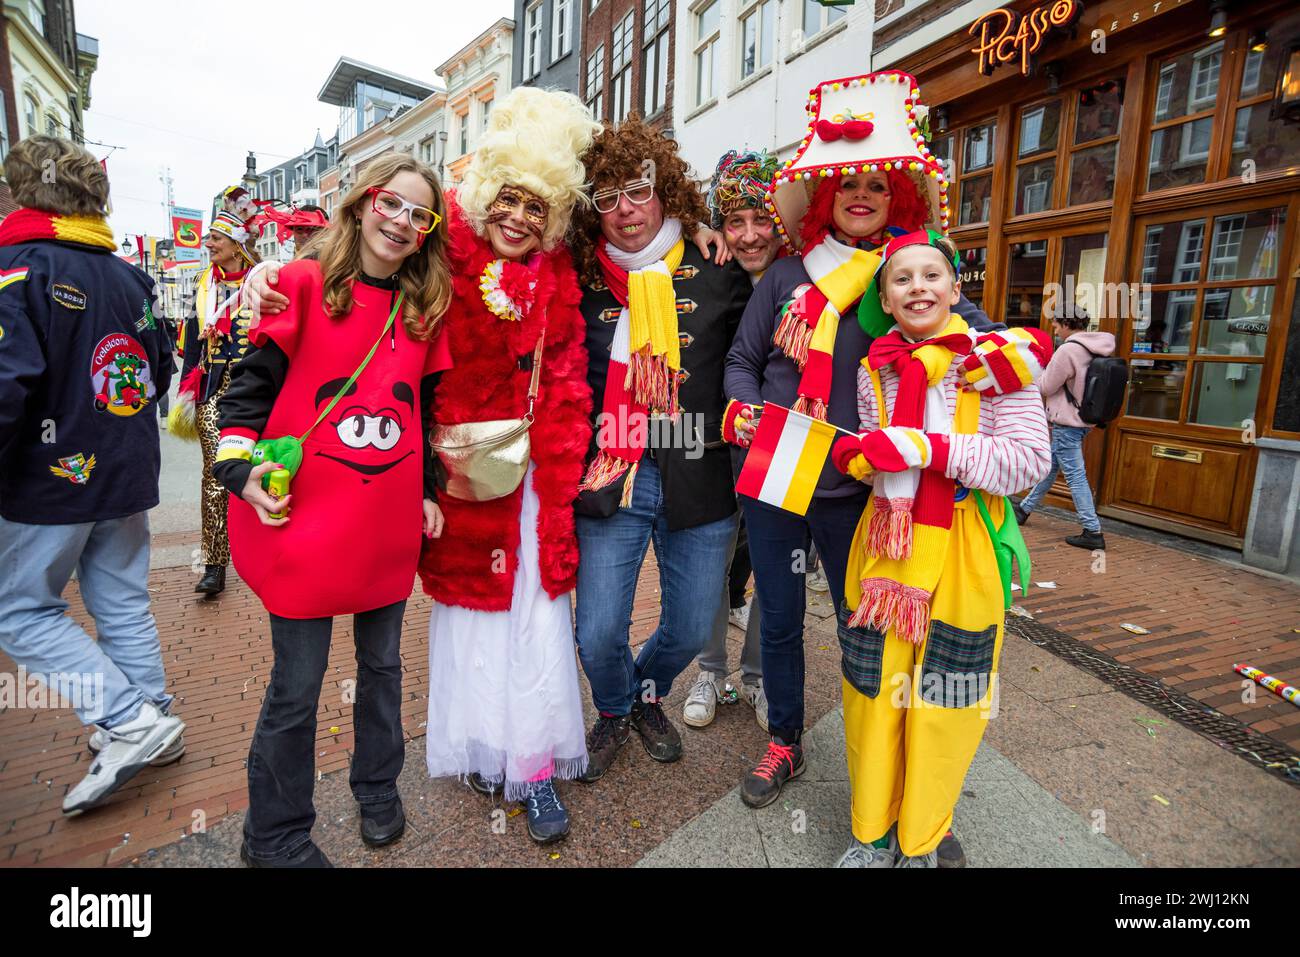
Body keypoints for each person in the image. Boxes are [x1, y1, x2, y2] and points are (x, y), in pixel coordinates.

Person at [723, 72, 1042, 868]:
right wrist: (747, 415)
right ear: (824, 199)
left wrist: (1025, 348)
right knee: (780, 615)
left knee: (876, 639)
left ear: (893, 196)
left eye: (874, 182)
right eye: (845, 184)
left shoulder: (909, 276)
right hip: (778, 468)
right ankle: (786, 738)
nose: (859, 193)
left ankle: (913, 799)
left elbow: (984, 339)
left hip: (861, 494)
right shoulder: (787, 279)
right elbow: (741, 359)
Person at [212, 152, 453, 867]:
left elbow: (425, 413)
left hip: (385, 524)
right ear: (360, 203)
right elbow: (247, 393)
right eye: (391, 203)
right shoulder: (299, 284)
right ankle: (276, 834)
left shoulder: (423, 309)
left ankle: (377, 785)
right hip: (307, 523)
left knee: (382, 666)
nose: (401, 222)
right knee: (297, 682)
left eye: (420, 214)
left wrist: (432, 491)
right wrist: (237, 468)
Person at [829, 230, 1051, 867]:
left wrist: (929, 448)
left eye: (932, 275)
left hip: (962, 549)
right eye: (902, 279)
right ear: (887, 299)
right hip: (885, 550)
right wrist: (861, 460)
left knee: (948, 697)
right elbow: (879, 449)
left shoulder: (998, 360)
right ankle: (871, 834)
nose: (918, 287)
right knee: (872, 691)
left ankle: (922, 835)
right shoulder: (876, 364)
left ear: (957, 288)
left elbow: (1028, 464)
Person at [414, 87, 599, 844]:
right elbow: (363, 271)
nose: (519, 218)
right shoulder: (440, 260)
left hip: (533, 484)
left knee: (535, 618)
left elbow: (569, 375)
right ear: (488, 194)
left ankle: (532, 766)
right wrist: (273, 278)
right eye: (509, 200)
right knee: (472, 621)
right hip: (463, 479)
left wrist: (564, 467)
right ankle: (487, 745)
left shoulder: (557, 279)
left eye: (536, 207)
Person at [0, 135, 185, 816]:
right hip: (125, 470)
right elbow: (158, 368)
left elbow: (6, 381)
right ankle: (149, 717)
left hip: (50, 478)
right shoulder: (129, 275)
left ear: (23, 192)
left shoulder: (18, 267)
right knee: (121, 599)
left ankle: (129, 720)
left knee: (19, 609)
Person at [568, 114, 753, 782]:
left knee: (689, 625)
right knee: (596, 631)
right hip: (612, 472)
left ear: (664, 189)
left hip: (698, 472)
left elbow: (755, 349)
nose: (625, 211)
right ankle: (620, 707)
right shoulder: (578, 279)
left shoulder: (715, 265)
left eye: (638, 191)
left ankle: (644, 693)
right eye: (606, 197)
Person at [683, 148, 782, 732]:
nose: (747, 236)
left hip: (781, 444)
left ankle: (759, 678)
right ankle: (709, 669)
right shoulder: (705, 263)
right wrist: (696, 225)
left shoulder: (804, 274)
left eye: (760, 219)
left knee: (773, 563)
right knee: (714, 563)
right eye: (733, 221)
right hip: (711, 444)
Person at [170, 187, 262, 597]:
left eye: (216, 239)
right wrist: (186, 392)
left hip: (257, 392)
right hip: (213, 390)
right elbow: (192, 344)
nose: (207, 244)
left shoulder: (263, 280)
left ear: (237, 246)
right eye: (208, 238)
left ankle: (270, 555)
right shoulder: (204, 286)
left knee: (266, 472)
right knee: (214, 477)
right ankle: (214, 564)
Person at [1014, 308, 1115, 550]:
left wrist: (1028, 376)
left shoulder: (1069, 349)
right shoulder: (1096, 346)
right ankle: (1024, 509)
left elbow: (1046, 386)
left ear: (1067, 323)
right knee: (1049, 468)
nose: (1055, 330)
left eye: (1057, 325)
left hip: (1066, 422)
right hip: (1083, 419)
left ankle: (1092, 530)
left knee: (1075, 476)